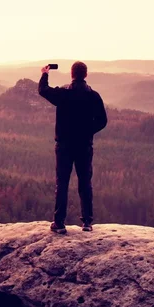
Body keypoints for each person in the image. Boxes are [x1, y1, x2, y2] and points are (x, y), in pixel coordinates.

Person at [38, 61, 107, 234]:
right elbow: (102, 121)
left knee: (62, 183)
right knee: (85, 182)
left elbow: (43, 90)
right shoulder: (93, 96)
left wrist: (45, 74)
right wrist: (88, 131)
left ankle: (59, 223)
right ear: (86, 75)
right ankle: (87, 223)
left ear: (71, 74)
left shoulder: (63, 94)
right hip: (84, 146)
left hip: (64, 146)